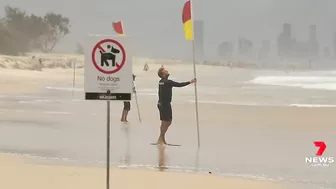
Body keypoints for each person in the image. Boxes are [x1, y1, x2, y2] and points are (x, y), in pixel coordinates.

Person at [156, 67, 196, 144]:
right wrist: (190, 82)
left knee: (164, 122)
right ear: (162, 73)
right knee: (168, 121)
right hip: (165, 105)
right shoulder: (168, 82)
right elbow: (179, 85)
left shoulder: (160, 82)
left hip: (160, 103)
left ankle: (162, 139)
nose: (167, 71)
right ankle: (160, 138)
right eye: (165, 71)